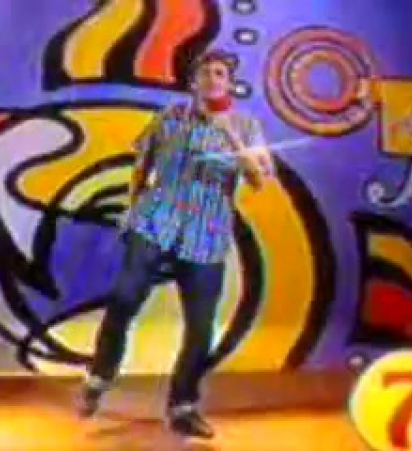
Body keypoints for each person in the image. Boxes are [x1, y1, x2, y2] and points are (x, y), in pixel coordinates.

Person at [77, 49, 276, 439]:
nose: (213, 79)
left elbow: (257, 179)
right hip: (155, 222)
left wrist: (228, 133)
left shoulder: (247, 126)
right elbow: (143, 164)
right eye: (206, 73)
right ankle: (100, 375)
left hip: (206, 236)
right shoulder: (169, 118)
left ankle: (183, 405)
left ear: (229, 83)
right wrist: (132, 207)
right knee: (124, 298)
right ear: (194, 82)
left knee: (201, 328)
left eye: (220, 74)